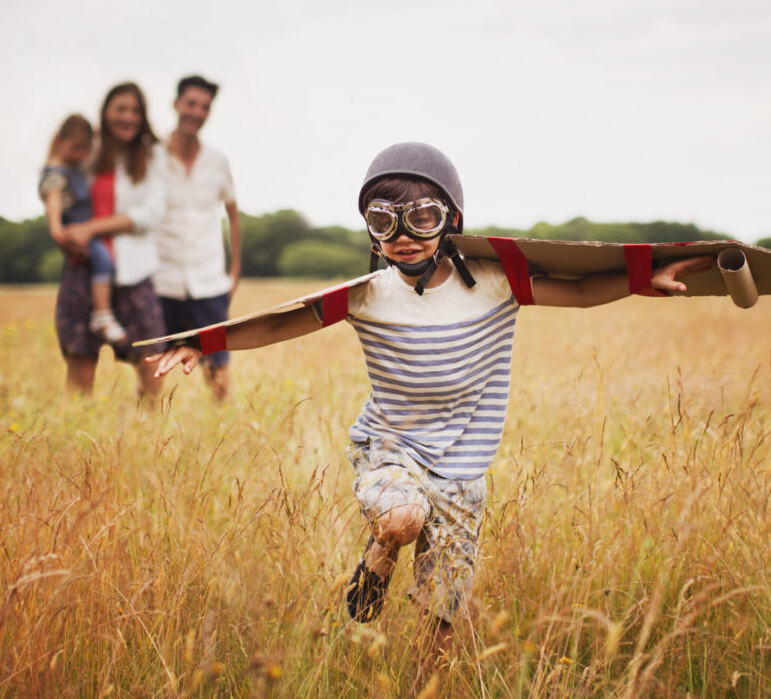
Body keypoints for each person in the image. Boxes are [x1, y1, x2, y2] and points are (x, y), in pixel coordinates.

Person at [148, 142, 713, 657]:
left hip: (463, 469)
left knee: (442, 617)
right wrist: (205, 342)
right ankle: (378, 557)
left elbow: (585, 292)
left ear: (451, 221)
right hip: (390, 450)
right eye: (383, 220)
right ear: (371, 230)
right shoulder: (369, 296)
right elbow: (283, 324)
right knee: (401, 516)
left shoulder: (498, 281)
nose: (403, 233)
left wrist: (642, 277)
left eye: (422, 217)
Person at [54, 82, 167, 401]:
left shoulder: (154, 155)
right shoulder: (88, 150)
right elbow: (59, 186)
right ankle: (74, 441)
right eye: (120, 109)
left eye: (135, 110)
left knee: (151, 357)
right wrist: (62, 231)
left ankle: (148, 438)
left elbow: (151, 212)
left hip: (134, 271)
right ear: (105, 112)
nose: (127, 116)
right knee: (80, 358)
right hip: (84, 269)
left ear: (143, 116)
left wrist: (91, 227)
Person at [155, 74, 241, 402]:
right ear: (177, 104)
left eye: (205, 106)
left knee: (217, 366)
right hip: (161, 280)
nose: (197, 111)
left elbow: (233, 215)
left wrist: (234, 273)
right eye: (191, 103)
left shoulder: (217, 160)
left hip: (208, 281)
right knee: (152, 366)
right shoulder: (151, 155)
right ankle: (143, 435)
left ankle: (224, 432)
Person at [39, 113, 127, 344]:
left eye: (84, 149)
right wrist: (56, 227)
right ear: (59, 141)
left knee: (103, 261)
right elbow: (54, 200)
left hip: (83, 229)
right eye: (75, 147)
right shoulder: (56, 172)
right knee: (104, 262)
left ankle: (103, 313)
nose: (80, 154)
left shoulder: (72, 166)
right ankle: (102, 314)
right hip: (75, 230)